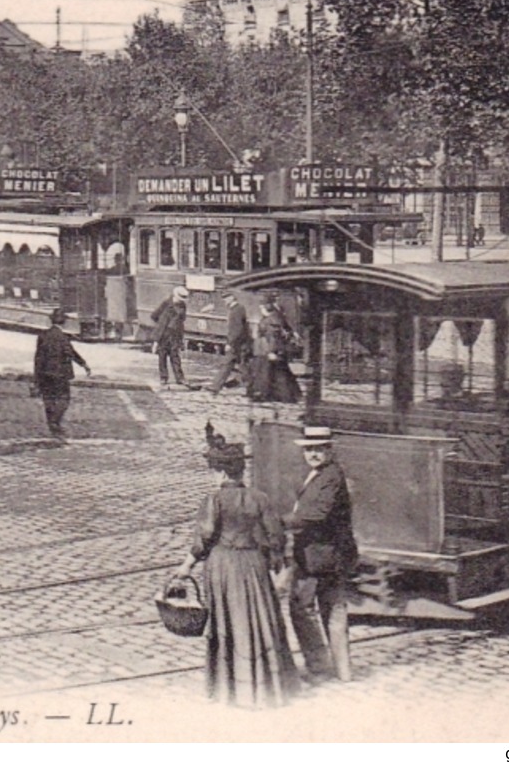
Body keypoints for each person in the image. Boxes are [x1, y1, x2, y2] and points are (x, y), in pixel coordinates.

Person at [172, 434, 299, 708]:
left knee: (227, 622)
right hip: (253, 565)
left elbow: (204, 538)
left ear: (219, 472)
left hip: (223, 565)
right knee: (259, 620)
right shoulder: (260, 498)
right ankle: (267, 686)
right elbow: (276, 537)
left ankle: (229, 686)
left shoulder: (214, 500)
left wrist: (185, 567)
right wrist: (279, 567)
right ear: (241, 470)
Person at [284, 426, 358, 684]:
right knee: (334, 610)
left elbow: (315, 515)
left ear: (329, 449)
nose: (313, 454)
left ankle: (319, 669)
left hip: (317, 557)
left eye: (319, 449)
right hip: (333, 555)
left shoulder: (330, 477)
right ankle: (343, 670)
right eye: (309, 449)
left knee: (302, 609)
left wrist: (278, 524)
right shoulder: (323, 474)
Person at [32, 307, 91, 439]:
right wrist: (84, 364)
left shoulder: (42, 335)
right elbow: (71, 353)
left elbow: (38, 358)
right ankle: (55, 422)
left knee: (48, 399)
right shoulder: (63, 337)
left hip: (45, 373)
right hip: (60, 374)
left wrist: (36, 378)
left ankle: (51, 423)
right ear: (63, 321)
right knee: (64, 399)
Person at [248, 294, 301, 403]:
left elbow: (272, 337)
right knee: (278, 373)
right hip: (268, 349)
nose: (260, 309)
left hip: (267, 350)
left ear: (267, 306)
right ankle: (289, 395)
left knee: (267, 373)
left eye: (262, 307)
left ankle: (263, 394)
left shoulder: (271, 320)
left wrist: (271, 351)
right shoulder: (275, 317)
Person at [207, 291, 252, 394]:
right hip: (241, 343)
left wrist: (230, 343)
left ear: (232, 298)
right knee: (242, 366)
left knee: (227, 364)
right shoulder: (238, 309)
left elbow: (236, 330)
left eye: (226, 298)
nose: (225, 301)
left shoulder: (236, 310)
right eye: (224, 299)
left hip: (237, 344)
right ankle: (251, 386)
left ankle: (216, 386)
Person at [151, 286, 191, 389]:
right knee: (162, 356)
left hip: (175, 334)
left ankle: (180, 378)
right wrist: (161, 324)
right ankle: (163, 378)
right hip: (164, 333)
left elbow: (182, 320)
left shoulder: (183, 306)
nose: (180, 301)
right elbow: (154, 315)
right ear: (175, 296)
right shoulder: (166, 303)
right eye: (179, 298)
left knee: (175, 356)